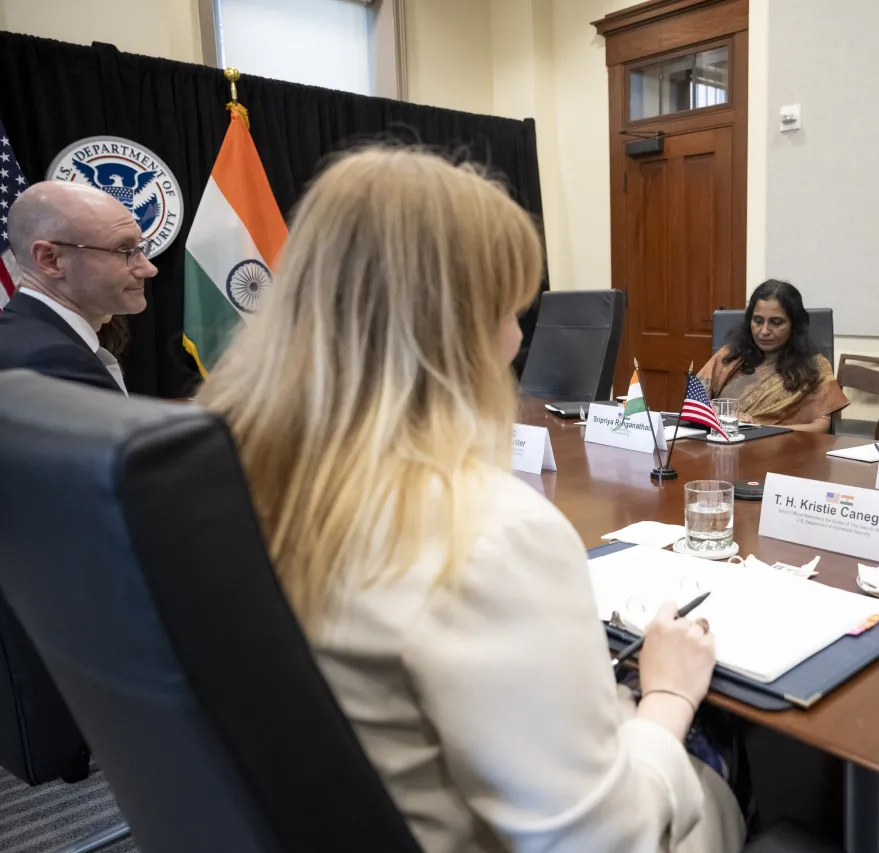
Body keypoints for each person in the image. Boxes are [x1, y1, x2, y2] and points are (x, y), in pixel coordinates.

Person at [198, 148, 746, 853]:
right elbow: (607, 841)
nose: (519, 336)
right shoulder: (487, 531)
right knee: (723, 750)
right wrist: (669, 694)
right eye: (510, 309)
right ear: (455, 327)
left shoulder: (213, 475)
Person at [0, 181, 155, 394]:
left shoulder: (19, 336)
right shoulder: (53, 363)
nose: (148, 269)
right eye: (123, 250)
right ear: (50, 260)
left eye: (140, 247)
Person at [697, 280, 847, 433]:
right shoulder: (730, 355)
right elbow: (694, 403)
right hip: (721, 446)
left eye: (776, 322)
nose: (764, 331)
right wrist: (716, 412)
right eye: (758, 321)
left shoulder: (814, 366)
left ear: (794, 325)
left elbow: (820, 427)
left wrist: (760, 428)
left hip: (782, 450)